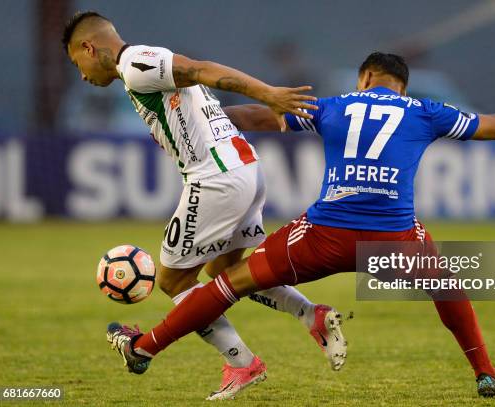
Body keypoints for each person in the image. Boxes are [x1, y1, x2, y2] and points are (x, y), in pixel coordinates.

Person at [107, 51, 495, 399]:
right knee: (446, 288)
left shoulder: (335, 105)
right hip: (393, 238)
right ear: (401, 85)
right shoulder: (425, 112)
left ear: (364, 78)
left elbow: (264, 117)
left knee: (227, 283)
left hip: (321, 236)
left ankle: (145, 346)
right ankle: (485, 374)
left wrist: (212, 121)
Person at [62, 11, 348, 400]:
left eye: (75, 62)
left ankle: (242, 362)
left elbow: (202, 69)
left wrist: (269, 93)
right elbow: (209, 102)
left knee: (173, 281)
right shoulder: (146, 71)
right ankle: (312, 315)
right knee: (226, 271)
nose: (81, 74)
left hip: (216, 180)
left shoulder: (136, 63)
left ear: (88, 48)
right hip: (245, 170)